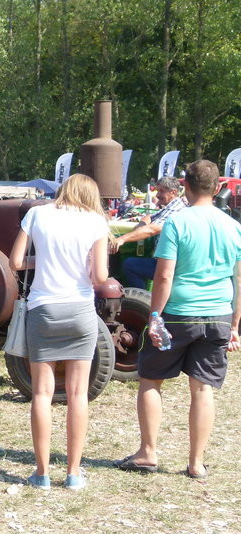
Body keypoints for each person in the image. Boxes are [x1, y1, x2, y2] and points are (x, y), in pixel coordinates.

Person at [115, 160, 241, 480]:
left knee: (150, 379)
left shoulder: (176, 222)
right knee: (203, 389)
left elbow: (164, 275)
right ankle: (196, 463)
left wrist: (155, 316)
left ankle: (148, 452)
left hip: (178, 314)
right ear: (218, 187)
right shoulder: (234, 226)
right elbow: (239, 279)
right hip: (218, 315)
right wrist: (235, 325)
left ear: (185, 186)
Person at [8, 173, 110, 491]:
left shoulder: (37, 213)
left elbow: (14, 262)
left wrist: (42, 261)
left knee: (42, 393)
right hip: (80, 311)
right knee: (78, 394)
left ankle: (41, 474)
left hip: (44, 309)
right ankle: (74, 473)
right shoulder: (95, 221)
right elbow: (100, 277)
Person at [113, 176, 188, 288]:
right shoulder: (170, 207)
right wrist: (140, 227)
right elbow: (149, 217)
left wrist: (122, 239)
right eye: (157, 190)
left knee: (130, 265)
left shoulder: (175, 209)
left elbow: (154, 229)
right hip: (168, 261)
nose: (157, 195)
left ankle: (140, 297)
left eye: (161, 191)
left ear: (173, 192)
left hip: (171, 265)